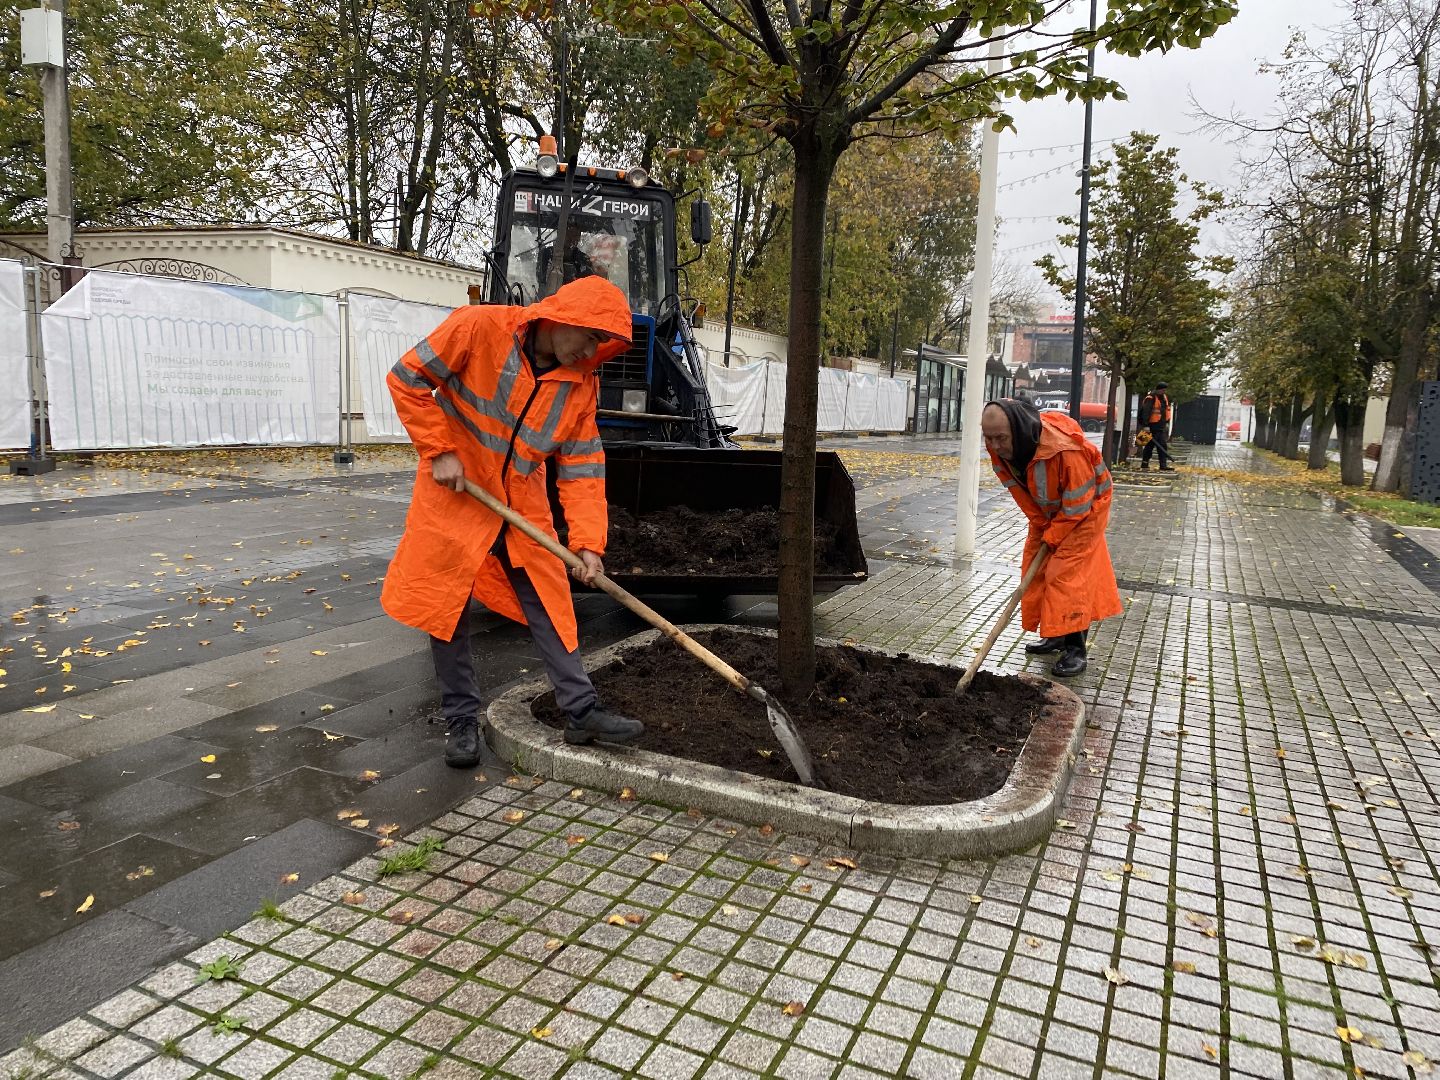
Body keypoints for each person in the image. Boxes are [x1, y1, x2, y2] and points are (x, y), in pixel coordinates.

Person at [382, 275, 643, 768]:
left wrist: (588, 544)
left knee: (549, 597)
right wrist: (439, 450)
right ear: (562, 318)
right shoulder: (479, 328)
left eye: (601, 343)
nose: (592, 350)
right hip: (458, 490)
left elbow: (583, 466)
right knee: (447, 602)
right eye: (590, 336)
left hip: (521, 501)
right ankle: (461, 719)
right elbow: (407, 377)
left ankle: (581, 710)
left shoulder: (580, 385)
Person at [980, 399, 1124, 677]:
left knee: (1065, 576)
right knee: (1036, 569)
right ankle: (1057, 634)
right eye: (989, 438)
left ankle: (1076, 649)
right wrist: (1042, 524)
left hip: (1086, 511)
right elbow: (1019, 491)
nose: (995, 446)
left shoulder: (1065, 451)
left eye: (1001, 438)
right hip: (1049, 512)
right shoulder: (1001, 449)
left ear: (1019, 431)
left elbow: (1078, 506)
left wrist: (1055, 534)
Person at [1138, 381, 1175, 470]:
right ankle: (1149, 464)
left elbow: (1164, 412)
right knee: (1154, 445)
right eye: (1162, 390)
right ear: (1158, 390)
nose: (1164, 392)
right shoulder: (1151, 398)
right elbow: (1145, 412)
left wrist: (1166, 423)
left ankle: (1158, 465)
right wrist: (1146, 426)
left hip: (1159, 426)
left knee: (1157, 445)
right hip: (1151, 426)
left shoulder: (1163, 398)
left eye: (1165, 390)